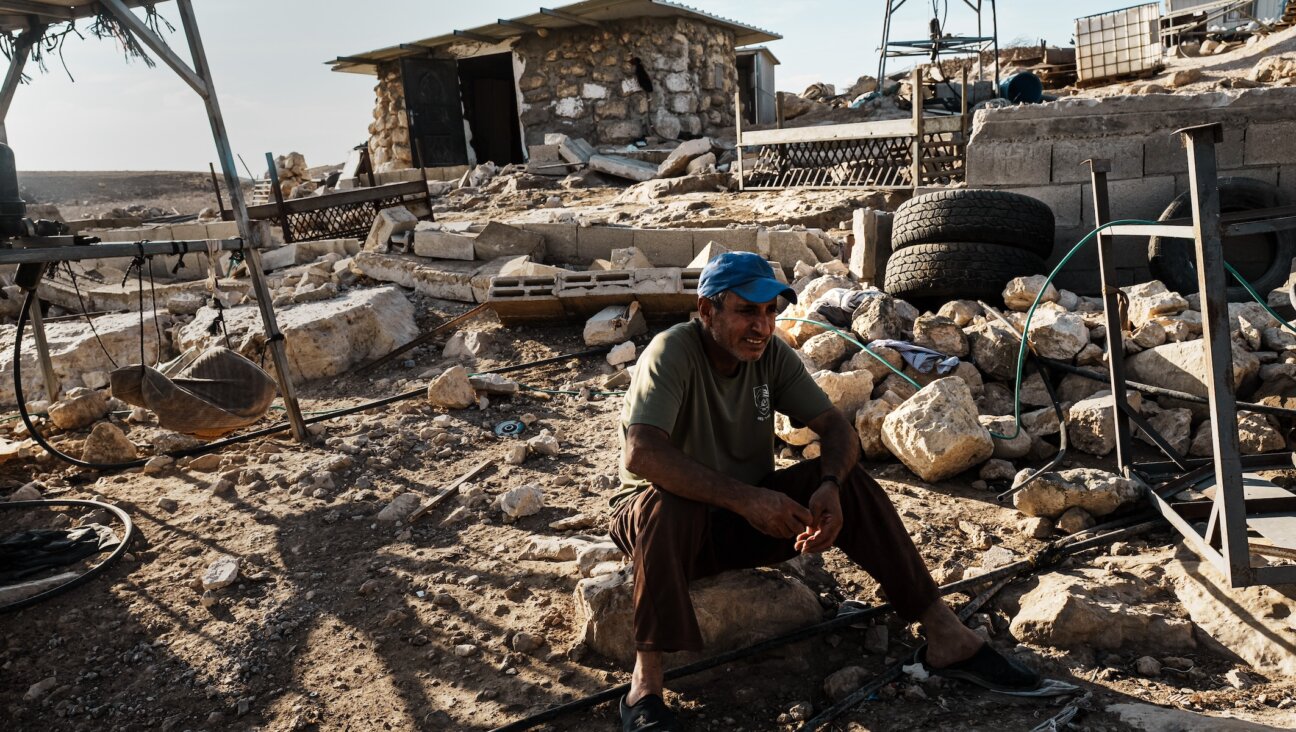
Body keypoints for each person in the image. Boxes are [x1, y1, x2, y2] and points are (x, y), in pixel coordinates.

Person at [609, 252, 1041, 732]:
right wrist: (749, 499)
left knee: (853, 481)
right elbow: (642, 454)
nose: (762, 326)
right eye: (747, 311)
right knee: (668, 502)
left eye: (771, 312)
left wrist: (831, 486)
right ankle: (644, 686)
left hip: (741, 520)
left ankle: (946, 637)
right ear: (708, 311)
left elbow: (837, 427)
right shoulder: (673, 351)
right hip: (664, 526)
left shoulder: (771, 355)